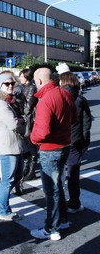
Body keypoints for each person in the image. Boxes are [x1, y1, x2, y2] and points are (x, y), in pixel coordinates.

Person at [30, 68, 77, 241]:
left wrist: (33, 139)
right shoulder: (65, 94)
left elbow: (42, 132)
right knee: (57, 187)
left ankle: (52, 228)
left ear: (40, 81)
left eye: (35, 80)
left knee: (52, 191)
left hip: (50, 149)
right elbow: (74, 118)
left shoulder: (45, 100)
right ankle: (62, 221)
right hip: (64, 145)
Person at [0, 73, 26, 221]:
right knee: (8, 179)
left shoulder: (8, 101)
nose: (11, 86)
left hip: (14, 144)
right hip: (7, 146)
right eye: (7, 84)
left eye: (12, 83)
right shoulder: (0, 103)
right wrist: (22, 121)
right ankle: (3, 210)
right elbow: (13, 124)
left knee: (16, 177)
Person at [59, 72, 92, 213]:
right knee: (73, 174)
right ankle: (74, 202)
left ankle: (58, 204)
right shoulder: (80, 99)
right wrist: (84, 142)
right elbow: (86, 123)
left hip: (59, 140)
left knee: (58, 173)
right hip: (75, 140)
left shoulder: (58, 97)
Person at [18, 68, 38, 181]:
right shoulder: (22, 88)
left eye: (21, 76)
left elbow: (27, 108)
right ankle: (26, 167)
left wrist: (19, 104)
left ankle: (32, 170)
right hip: (23, 119)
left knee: (30, 145)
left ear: (27, 77)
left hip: (29, 120)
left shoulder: (32, 88)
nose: (20, 78)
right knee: (25, 145)